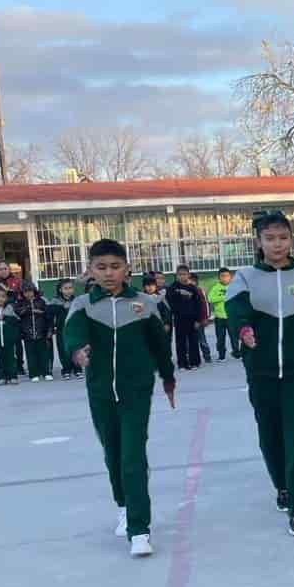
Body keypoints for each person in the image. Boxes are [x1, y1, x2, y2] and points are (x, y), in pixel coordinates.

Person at [63, 238, 177, 558]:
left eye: (115, 267)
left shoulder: (145, 304)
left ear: (127, 269)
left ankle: (139, 529)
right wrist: (77, 351)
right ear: (90, 271)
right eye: (101, 268)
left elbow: (159, 346)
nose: (109, 273)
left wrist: (168, 378)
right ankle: (124, 506)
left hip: (136, 392)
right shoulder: (83, 305)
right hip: (100, 392)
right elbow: (71, 335)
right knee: (112, 454)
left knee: (132, 458)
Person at [229, 211, 294, 536]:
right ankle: (283, 486)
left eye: (283, 237)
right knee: (270, 436)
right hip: (260, 370)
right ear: (258, 242)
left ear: (292, 240)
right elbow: (236, 310)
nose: (277, 244)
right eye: (270, 238)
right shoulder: (244, 277)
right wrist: (244, 329)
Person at [0, 260, 26, 378]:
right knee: (0, 343)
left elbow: (22, 296)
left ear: (9, 269)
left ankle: (19, 365)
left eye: (5, 268)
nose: (3, 271)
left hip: (12, 313)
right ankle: (3, 368)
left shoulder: (16, 280)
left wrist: (12, 303)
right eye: (0, 269)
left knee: (16, 341)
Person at [164, 265, 206, 371]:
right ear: (176, 275)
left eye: (184, 274)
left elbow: (199, 304)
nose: (182, 276)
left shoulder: (193, 288)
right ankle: (182, 364)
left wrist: (198, 320)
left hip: (192, 319)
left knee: (193, 341)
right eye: (180, 274)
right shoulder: (172, 287)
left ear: (188, 275)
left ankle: (194, 362)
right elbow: (169, 300)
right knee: (180, 342)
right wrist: (179, 293)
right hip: (179, 319)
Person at [13, 281, 54, 381]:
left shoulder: (41, 301)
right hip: (27, 334)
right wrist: (29, 310)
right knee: (31, 355)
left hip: (42, 333)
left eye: (30, 291)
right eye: (25, 292)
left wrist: (49, 330)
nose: (28, 294)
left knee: (44, 354)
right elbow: (18, 313)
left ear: (34, 291)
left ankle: (46, 372)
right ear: (22, 293)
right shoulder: (20, 303)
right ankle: (33, 374)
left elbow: (48, 316)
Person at [50, 279, 80, 379]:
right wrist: (61, 307)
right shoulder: (55, 301)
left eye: (70, 288)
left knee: (75, 348)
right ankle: (66, 369)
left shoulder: (76, 300)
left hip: (74, 329)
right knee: (63, 350)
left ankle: (77, 368)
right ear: (60, 290)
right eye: (65, 288)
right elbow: (50, 313)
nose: (68, 290)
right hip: (61, 329)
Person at [207, 268, 234, 360]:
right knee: (220, 338)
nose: (224, 278)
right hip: (219, 318)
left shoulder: (234, 286)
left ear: (230, 277)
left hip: (231, 317)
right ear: (219, 278)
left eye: (227, 276)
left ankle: (237, 353)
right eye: (222, 276)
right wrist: (223, 297)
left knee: (234, 337)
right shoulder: (216, 287)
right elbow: (210, 299)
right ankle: (221, 355)